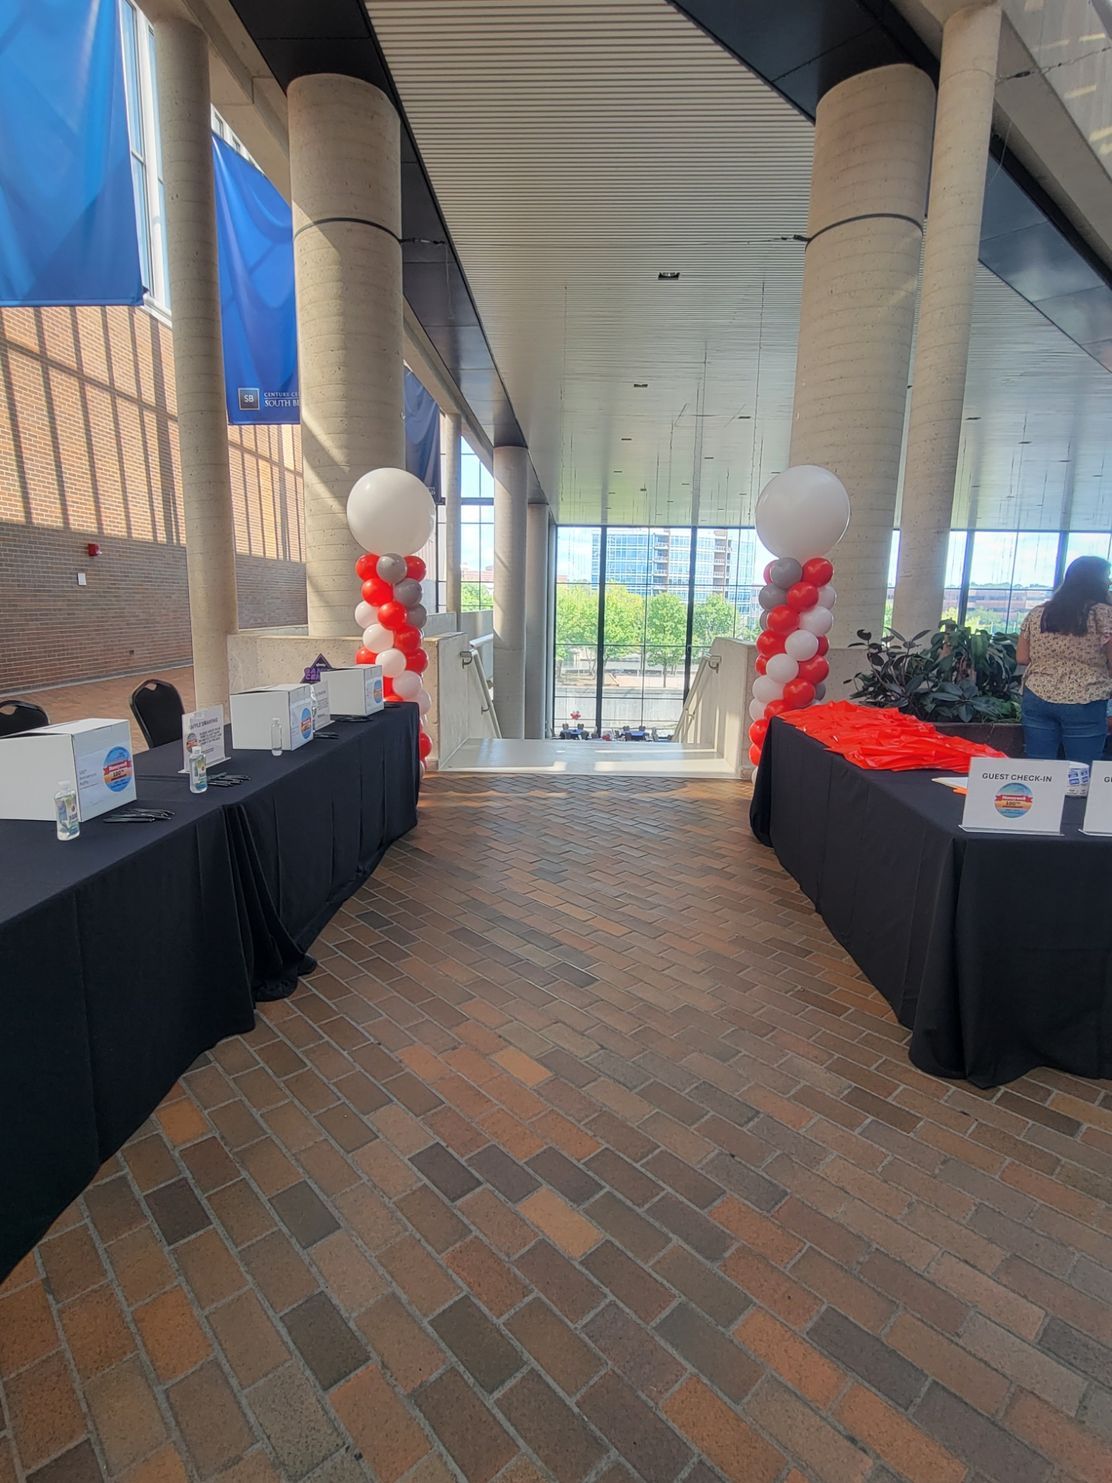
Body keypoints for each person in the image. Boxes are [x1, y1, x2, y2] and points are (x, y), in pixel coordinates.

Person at [1016, 555, 1112, 765]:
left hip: (1037, 695)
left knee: (1040, 770)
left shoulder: (1038, 612)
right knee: (1081, 771)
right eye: (1107, 577)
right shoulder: (1105, 614)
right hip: (1086, 697)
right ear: (1097, 582)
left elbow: (1022, 657)